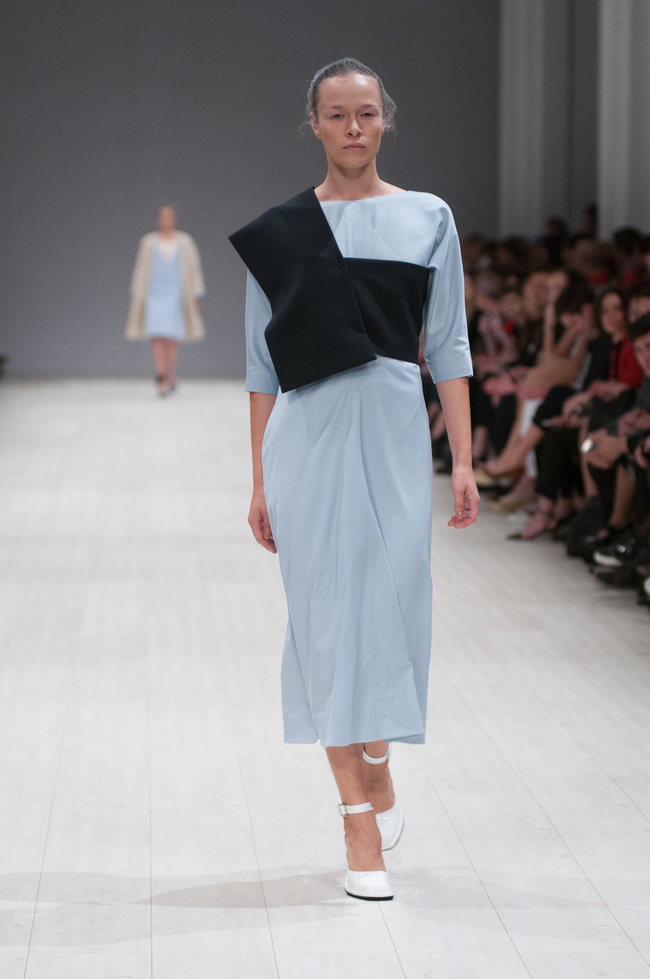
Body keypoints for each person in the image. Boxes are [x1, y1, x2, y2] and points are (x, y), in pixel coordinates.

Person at [229, 58, 478, 903]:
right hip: (307, 439)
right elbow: (261, 366)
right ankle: (355, 820)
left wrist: (465, 460)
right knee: (325, 619)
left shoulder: (427, 217)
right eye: (336, 114)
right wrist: (259, 480)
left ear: (386, 119)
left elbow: (448, 346)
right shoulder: (279, 233)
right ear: (314, 124)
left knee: (397, 606)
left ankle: (378, 753)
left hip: (397, 431)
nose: (352, 128)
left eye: (366, 112)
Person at [125, 204, 205, 396]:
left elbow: (193, 267)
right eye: (163, 215)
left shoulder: (185, 241)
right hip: (154, 293)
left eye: (170, 215)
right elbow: (140, 267)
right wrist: (137, 295)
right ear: (157, 219)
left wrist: (196, 294)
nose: (166, 219)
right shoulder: (148, 242)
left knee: (172, 338)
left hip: (176, 294)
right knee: (157, 337)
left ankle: (171, 376)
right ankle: (161, 379)